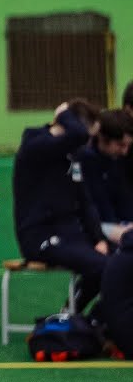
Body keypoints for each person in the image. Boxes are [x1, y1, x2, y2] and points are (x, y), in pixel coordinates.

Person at [13, 99, 110, 314]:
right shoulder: (34, 145)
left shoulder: (72, 154)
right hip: (39, 237)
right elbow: (79, 134)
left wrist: (99, 239)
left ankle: (78, 318)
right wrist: (64, 113)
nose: (88, 143)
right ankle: (69, 317)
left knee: (119, 262)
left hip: (70, 234)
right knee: (102, 266)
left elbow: (85, 202)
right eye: (88, 136)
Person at [76, 110, 133, 240]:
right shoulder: (84, 160)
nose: (125, 151)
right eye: (120, 145)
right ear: (103, 138)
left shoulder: (117, 158)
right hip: (91, 226)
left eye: (128, 146)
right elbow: (96, 203)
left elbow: (124, 196)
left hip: (119, 222)